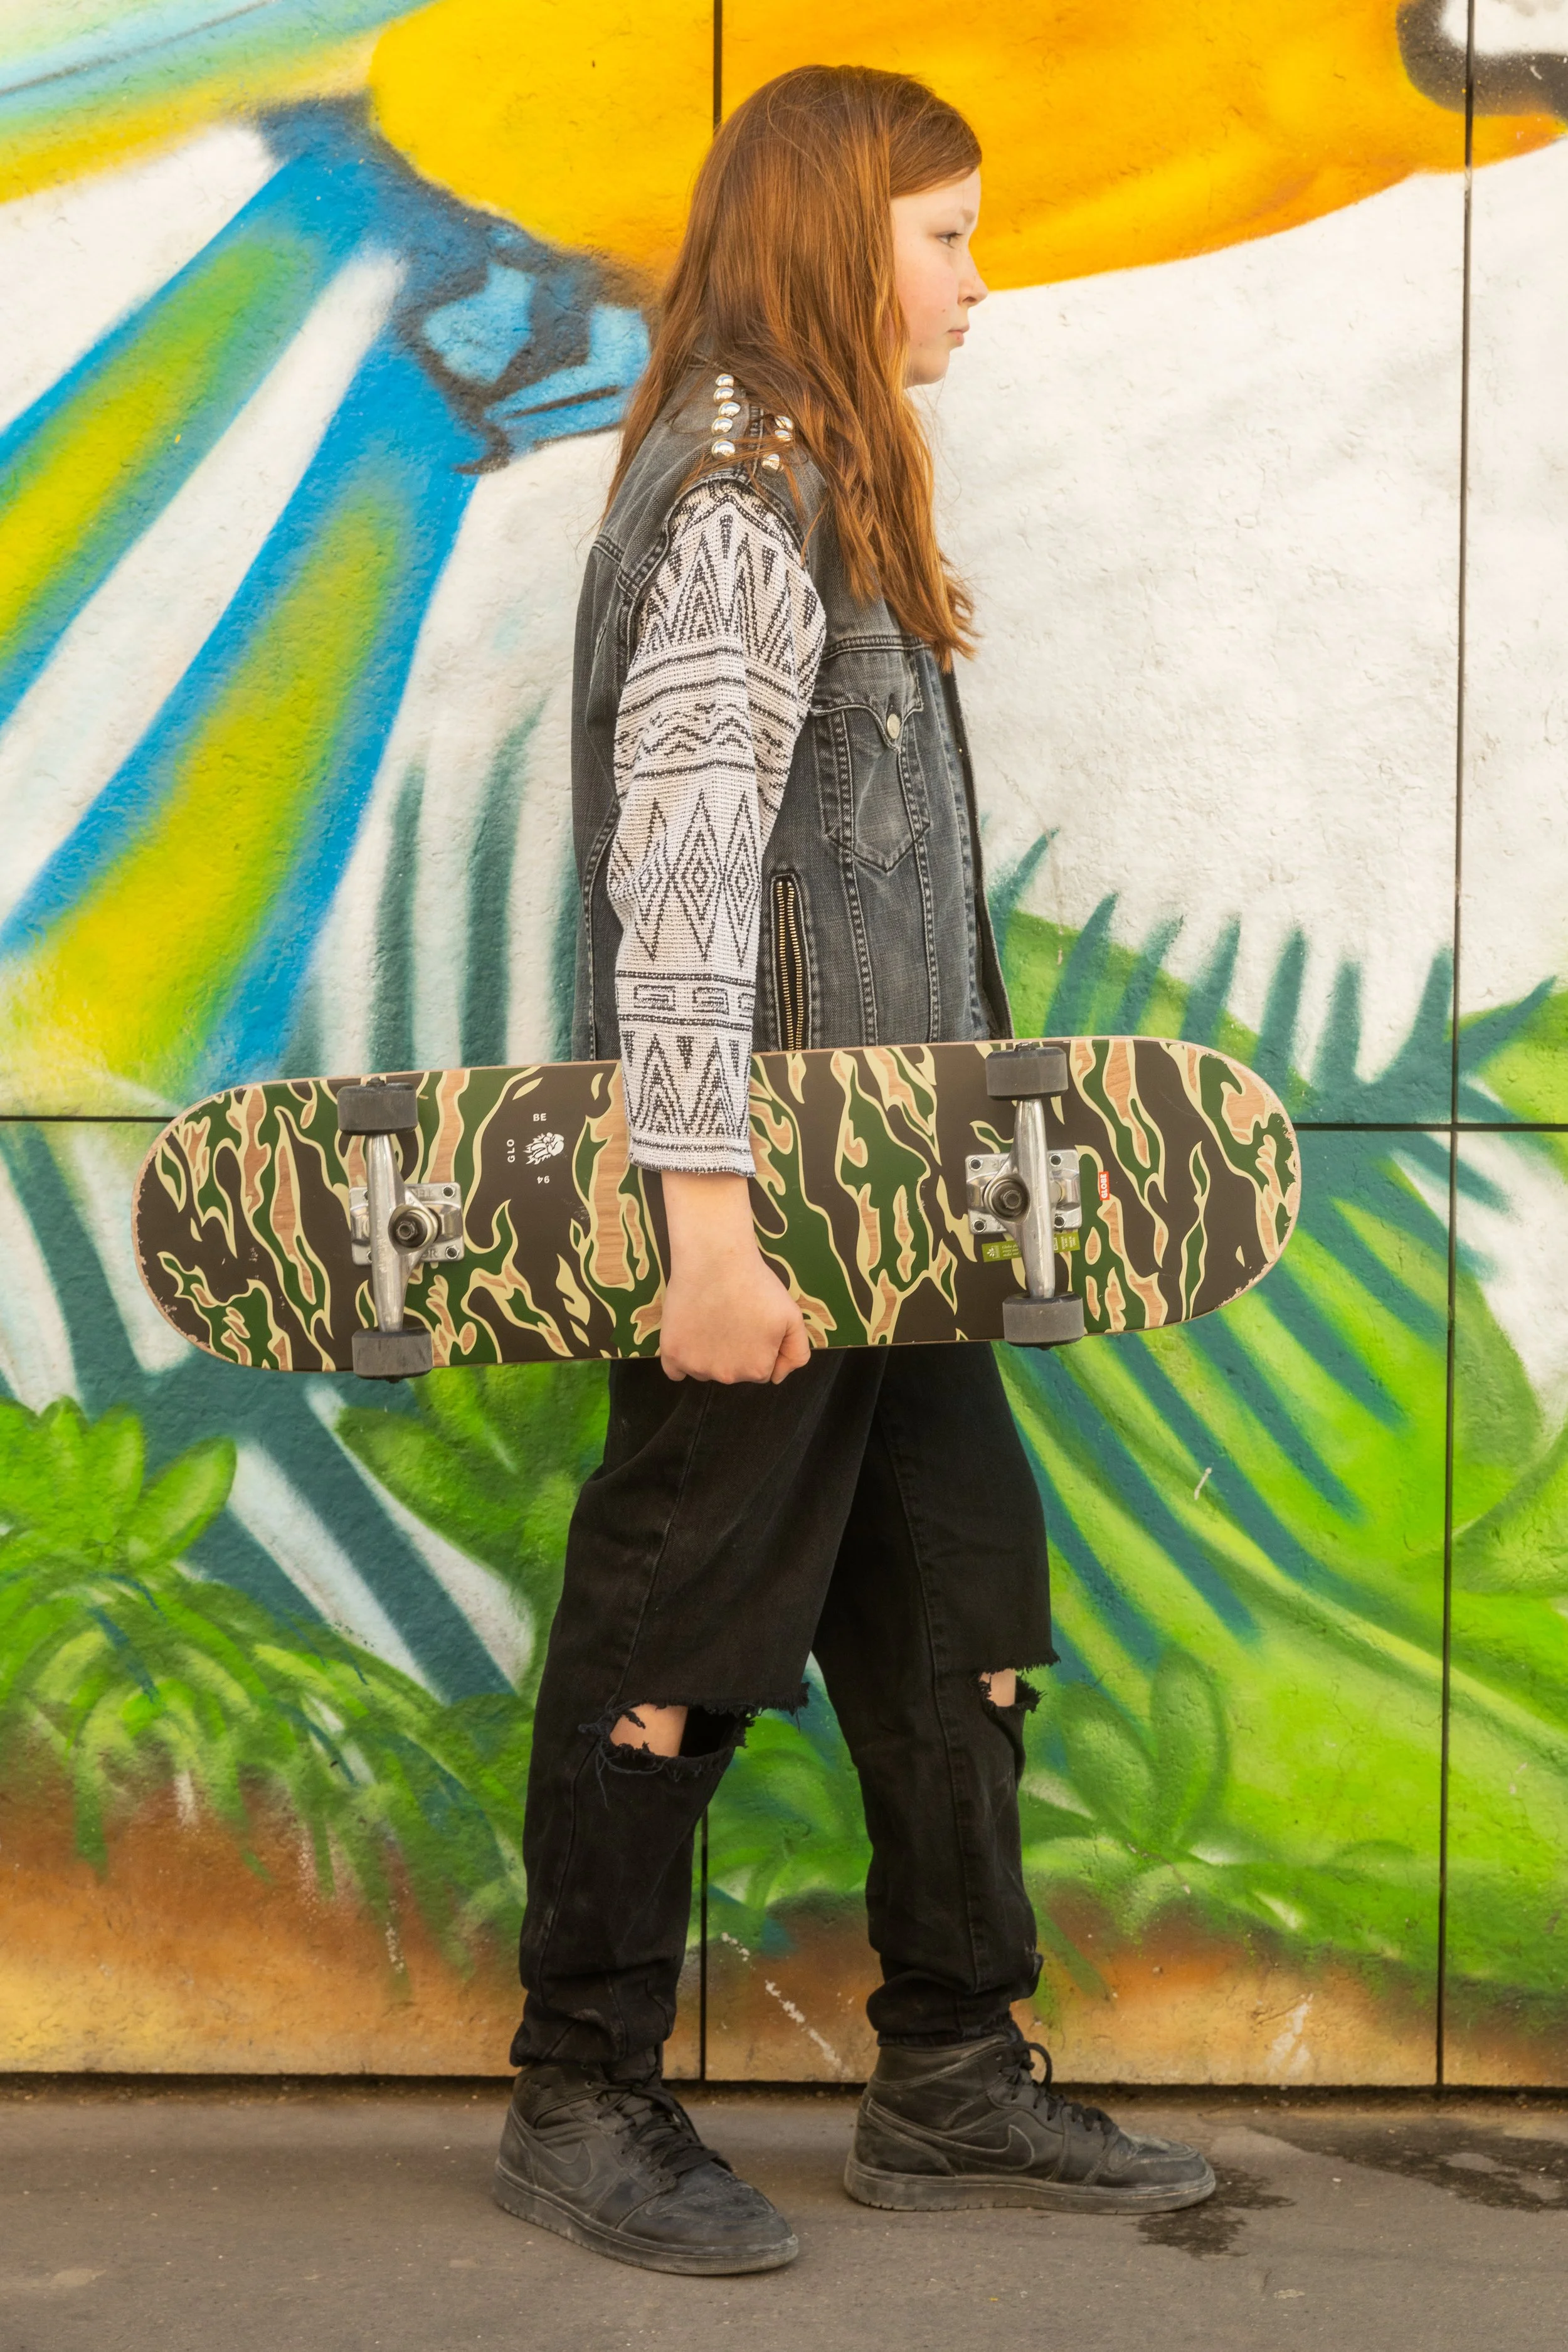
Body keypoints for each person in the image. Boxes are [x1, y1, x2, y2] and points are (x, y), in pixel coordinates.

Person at [492, 64, 1216, 2275]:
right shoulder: (740, 489)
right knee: (674, 1624)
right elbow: (686, 885)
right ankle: (582, 2090)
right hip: (767, 1206)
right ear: (834, 235)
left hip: (887, 1204)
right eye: (946, 238)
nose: (978, 285)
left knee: (957, 1622)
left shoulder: (821, 473)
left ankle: (948, 2074)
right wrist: (702, 1231)